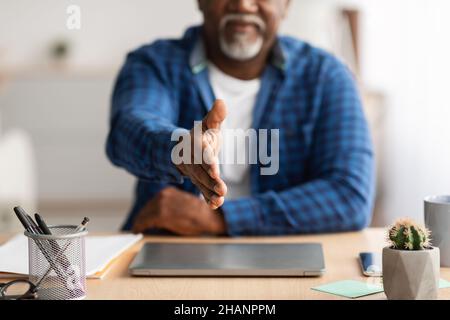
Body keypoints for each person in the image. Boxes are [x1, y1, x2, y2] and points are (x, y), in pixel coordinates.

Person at [106, 0, 375, 236]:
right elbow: (126, 131)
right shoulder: (154, 63)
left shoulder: (327, 76)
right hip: (167, 243)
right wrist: (180, 148)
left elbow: (349, 196)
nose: (244, 4)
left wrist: (217, 218)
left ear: (287, 4)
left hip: (283, 251)